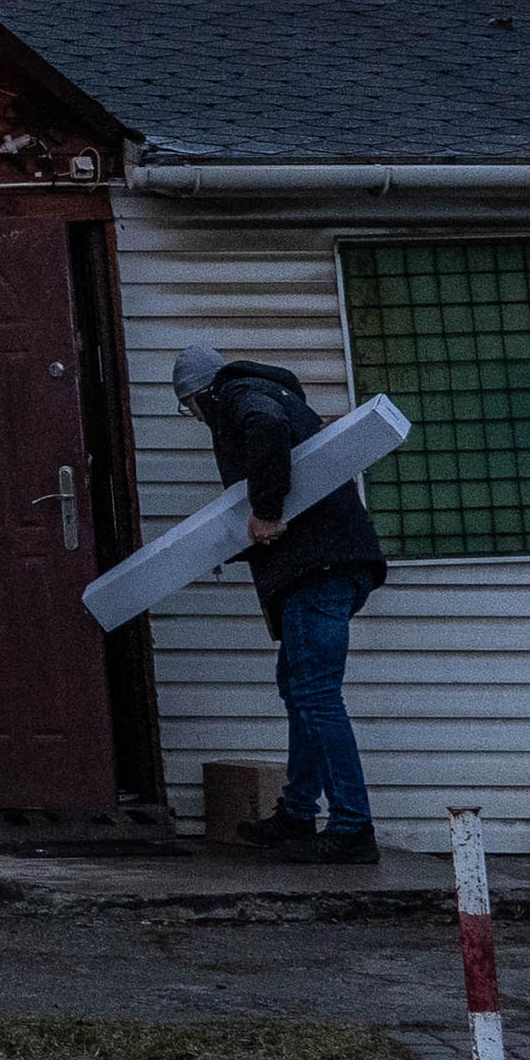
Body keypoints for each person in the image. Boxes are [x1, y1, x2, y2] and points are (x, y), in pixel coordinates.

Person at [172, 343, 388, 859]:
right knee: (299, 690)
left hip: (319, 568)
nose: (197, 418)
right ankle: (297, 812)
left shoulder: (239, 395)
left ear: (199, 394)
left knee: (315, 695)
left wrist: (265, 511)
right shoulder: (276, 393)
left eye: (189, 408)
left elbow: (265, 428)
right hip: (331, 564)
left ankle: (352, 828)